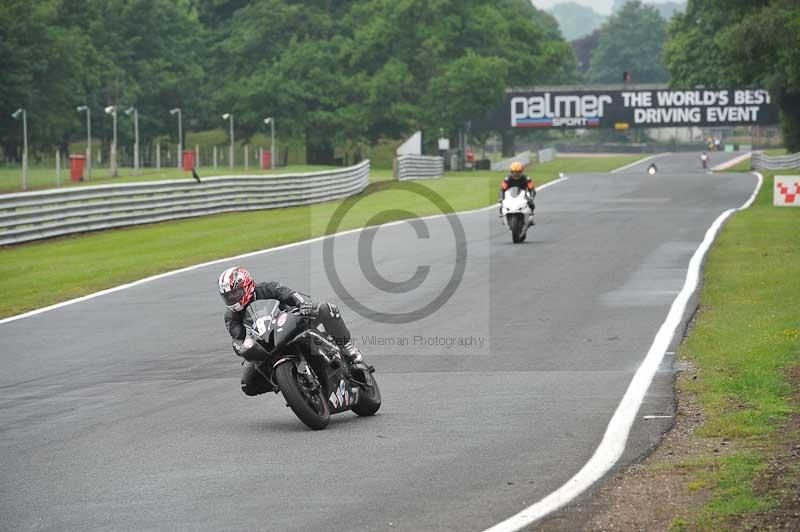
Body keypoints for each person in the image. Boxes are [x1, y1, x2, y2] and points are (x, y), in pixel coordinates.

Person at [217, 266, 365, 396]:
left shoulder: (268, 288)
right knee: (247, 385)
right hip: (265, 343)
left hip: (291, 322)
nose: (232, 299)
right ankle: (287, 383)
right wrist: (242, 347)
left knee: (326, 309)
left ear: (247, 285)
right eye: (227, 297)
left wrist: (303, 304)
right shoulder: (231, 316)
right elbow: (239, 338)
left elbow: (290, 294)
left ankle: (347, 347)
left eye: (235, 293)